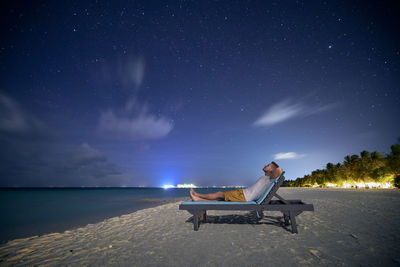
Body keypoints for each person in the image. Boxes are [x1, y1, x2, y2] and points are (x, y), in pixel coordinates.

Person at [189, 161, 282, 202]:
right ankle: (198, 199)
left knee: (219, 194)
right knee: (220, 198)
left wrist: (274, 166)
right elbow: (276, 170)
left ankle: (197, 195)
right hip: (243, 194)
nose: (265, 165)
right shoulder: (266, 178)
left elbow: (279, 170)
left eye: (268, 165)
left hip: (244, 196)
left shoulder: (270, 179)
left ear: (272, 170)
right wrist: (270, 168)